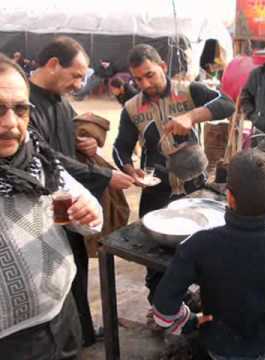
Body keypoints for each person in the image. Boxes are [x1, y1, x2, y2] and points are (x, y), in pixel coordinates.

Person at [152, 149, 265, 359]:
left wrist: (190, 322)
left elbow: (163, 312)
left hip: (218, 347)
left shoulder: (198, 245)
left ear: (229, 197)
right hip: (264, 348)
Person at [28, 36, 135, 346]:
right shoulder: (25, 103)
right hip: (42, 202)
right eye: (75, 75)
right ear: (52, 65)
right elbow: (43, 155)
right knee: (54, 274)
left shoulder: (59, 96)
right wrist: (103, 176)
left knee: (77, 266)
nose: (79, 84)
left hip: (69, 198)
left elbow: (64, 137)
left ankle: (84, 332)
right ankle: (63, 341)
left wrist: (83, 142)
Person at [113, 44, 235, 304]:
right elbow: (120, 148)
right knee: (156, 258)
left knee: (203, 249)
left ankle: (204, 302)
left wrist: (192, 116)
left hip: (195, 187)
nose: (145, 83)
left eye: (150, 75)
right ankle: (163, 308)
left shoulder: (188, 91)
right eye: (138, 79)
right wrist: (129, 168)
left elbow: (227, 104)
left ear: (163, 67)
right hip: (157, 190)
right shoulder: (132, 108)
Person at [0, 53, 102, 359]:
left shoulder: (38, 157)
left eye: (20, 109)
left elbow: (80, 214)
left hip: (62, 315)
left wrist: (88, 213)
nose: (11, 123)